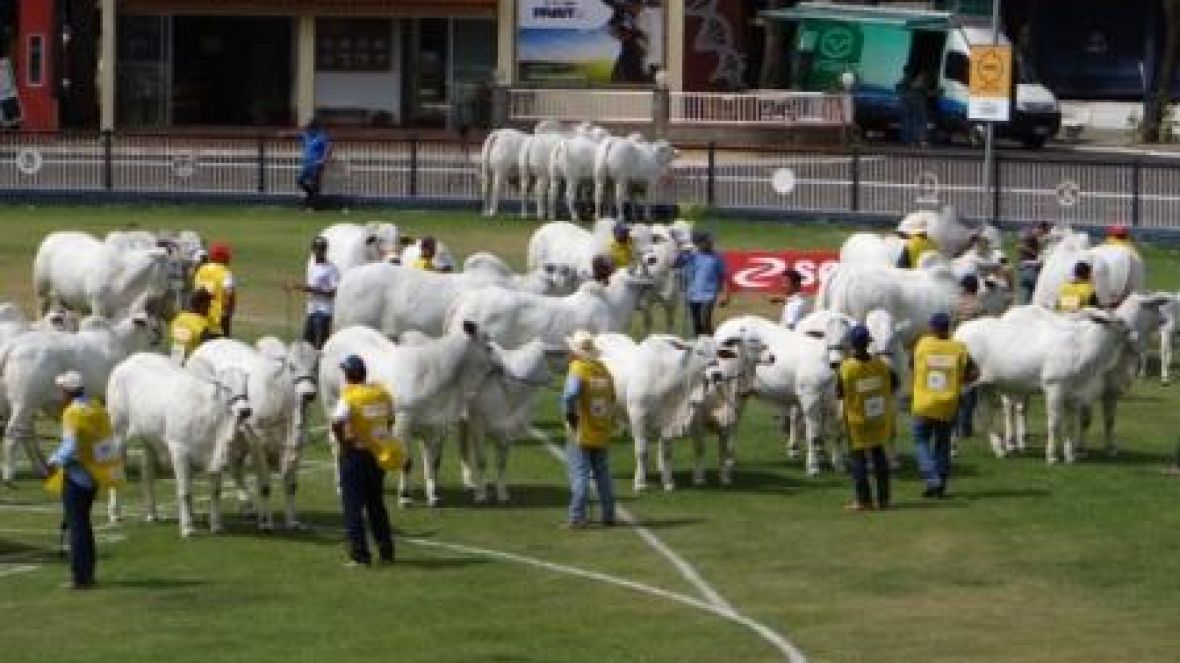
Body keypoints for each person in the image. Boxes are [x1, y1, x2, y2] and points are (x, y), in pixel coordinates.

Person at [45, 371, 123, 590]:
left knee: (77, 527)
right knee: (83, 526)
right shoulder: (95, 407)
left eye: (60, 391)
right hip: (95, 474)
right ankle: (87, 573)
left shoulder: (72, 412)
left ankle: (80, 576)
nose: (59, 395)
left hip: (77, 475)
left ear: (67, 392)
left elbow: (70, 446)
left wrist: (54, 462)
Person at [330, 355, 396, 567]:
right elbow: (390, 419)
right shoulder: (381, 393)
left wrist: (344, 442)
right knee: (376, 505)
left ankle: (360, 555)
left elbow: (337, 421)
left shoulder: (350, 397)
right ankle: (386, 550)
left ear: (348, 375)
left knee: (353, 507)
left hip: (355, 455)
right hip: (378, 454)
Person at [911, 312, 975, 498]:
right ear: (948, 328)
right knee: (943, 445)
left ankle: (932, 478)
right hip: (947, 404)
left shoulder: (922, 345)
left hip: (924, 404)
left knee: (921, 442)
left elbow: (912, 366)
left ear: (932, 328)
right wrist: (958, 379)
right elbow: (974, 373)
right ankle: (940, 484)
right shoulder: (959, 348)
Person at [836, 325, 896, 511]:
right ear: (868, 343)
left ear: (852, 345)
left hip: (856, 420)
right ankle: (883, 500)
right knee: (879, 457)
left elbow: (839, 393)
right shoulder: (880, 365)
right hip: (877, 417)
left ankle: (863, 500)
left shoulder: (846, 368)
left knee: (859, 461)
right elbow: (894, 383)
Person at [561, 330, 617, 528]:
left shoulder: (578, 368)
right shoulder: (603, 370)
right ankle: (609, 514)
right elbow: (612, 397)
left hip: (581, 430)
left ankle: (577, 517)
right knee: (603, 474)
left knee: (580, 475)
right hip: (601, 429)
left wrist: (569, 413)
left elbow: (571, 394)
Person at [288, 236, 340, 350]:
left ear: (325, 250)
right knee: (307, 344)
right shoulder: (312, 266)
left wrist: (309, 289)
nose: (319, 251)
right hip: (311, 310)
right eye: (316, 248)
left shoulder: (331, 268)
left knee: (319, 345)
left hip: (324, 311)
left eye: (321, 249)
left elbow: (334, 292)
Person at [951, 275, 985, 440]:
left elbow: (952, 324)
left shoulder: (956, 304)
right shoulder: (979, 305)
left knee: (956, 386)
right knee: (971, 388)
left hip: (957, 346)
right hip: (974, 349)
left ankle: (955, 423)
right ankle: (965, 426)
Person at [676, 231, 729, 336]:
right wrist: (682, 253)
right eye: (708, 242)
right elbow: (676, 265)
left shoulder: (717, 258)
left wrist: (725, 294)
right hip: (693, 294)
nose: (711, 244)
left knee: (705, 322)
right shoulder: (692, 256)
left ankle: (712, 344)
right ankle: (699, 345)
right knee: (697, 324)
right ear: (699, 244)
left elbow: (723, 277)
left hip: (709, 295)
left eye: (711, 242)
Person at [193, 242, 235, 337]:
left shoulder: (201, 270)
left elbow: (197, 290)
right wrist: (228, 315)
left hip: (199, 316)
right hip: (217, 319)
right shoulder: (225, 273)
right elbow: (230, 295)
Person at [169, 289, 216, 363]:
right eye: (208, 304)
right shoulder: (200, 322)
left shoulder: (178, 318)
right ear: (202, 305)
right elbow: (209, 344)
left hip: (174, 362)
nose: (209, 307)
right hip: (192, 365)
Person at [298, 118, 332, 210]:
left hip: (316, 163)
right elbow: (301, 141)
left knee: (315, 184)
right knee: (300, 180)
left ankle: (313, 205)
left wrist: (323, 160)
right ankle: (310, 197)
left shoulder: (322, 136)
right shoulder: (305, 135)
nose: (308, 130)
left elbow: (328, 148)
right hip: (307, 163)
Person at [1018, 222, 1051, 304]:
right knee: (1030, 296)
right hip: (1029, 270)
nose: (1042, 236)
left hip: (1028, 270)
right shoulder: (1030, 238)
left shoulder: (1031, 238)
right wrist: (1037, 261)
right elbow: (1023, 256)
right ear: (1039, 229)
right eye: (1043, 233)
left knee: (1027, 296)